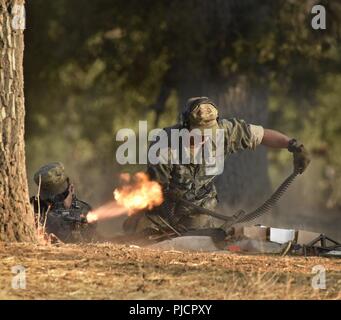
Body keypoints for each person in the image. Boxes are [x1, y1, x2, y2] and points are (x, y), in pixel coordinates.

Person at [124, 97, 310, 236]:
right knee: (139, 234)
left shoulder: (225, 132)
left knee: (196, 243)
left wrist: (293, 146)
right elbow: (153, 189)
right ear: (185, 126)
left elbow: (262, 135)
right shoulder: (164, 142)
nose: (205, 138)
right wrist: (167, 195)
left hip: (199, 207)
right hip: (164, 208)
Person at [30, 162, 96, 243]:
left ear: (70, 188)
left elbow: (85, 244)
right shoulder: (34, 206)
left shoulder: (84, 211)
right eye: (50, 198)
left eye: (60, 196)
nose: (54, 200)